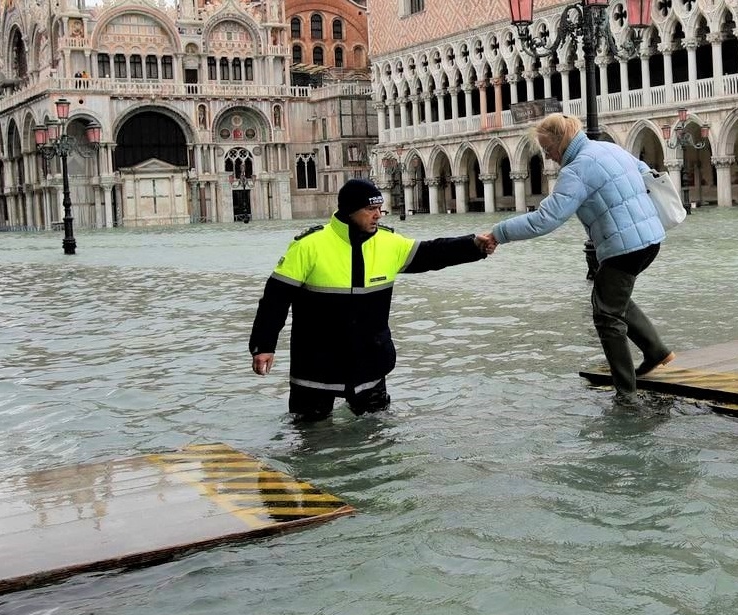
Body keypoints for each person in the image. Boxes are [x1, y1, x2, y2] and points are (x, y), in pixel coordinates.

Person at [250, 178, 493, 423]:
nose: (378, 215)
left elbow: (433, 252)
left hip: (370, 363)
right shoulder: (309, 246)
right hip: (316, 364)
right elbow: (275, 299)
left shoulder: (389, 243)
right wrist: (264, 346)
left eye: (380, 208)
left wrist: (474, 246)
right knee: (310, 440)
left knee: (377, 438)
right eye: (371, 209)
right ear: (350, 210)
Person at [478, 114, 674, 403]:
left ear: (561, 141)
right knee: (612, 297)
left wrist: (499, 232)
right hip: (650, 238)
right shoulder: (609, 148)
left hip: (625, 245)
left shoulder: (577, 170)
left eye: (547, 148)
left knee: (606, 315)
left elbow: (545, 219)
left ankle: (626, 394)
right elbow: (646, 172)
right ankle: (655, 350)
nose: (547, 156)